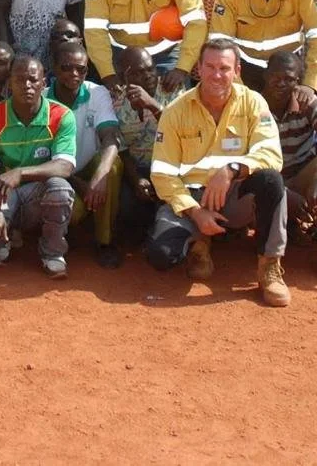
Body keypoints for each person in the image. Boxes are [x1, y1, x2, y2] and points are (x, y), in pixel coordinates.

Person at [146, 38, 291, 306]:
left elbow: (271, 154)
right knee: (161, 256)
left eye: (224, 68)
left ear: (237, 71)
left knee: (271, 180)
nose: (216, 75)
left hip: (235, 198)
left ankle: (269, 266)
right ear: (197, 69)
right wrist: (195, 211)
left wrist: (232, 169)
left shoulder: (253, 103)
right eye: (210, 67)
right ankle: (199, 241)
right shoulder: (175, 111)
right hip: (192, 199)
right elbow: (162, 174)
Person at [0, 54, 78, 278]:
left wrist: (20, 173)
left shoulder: (61, 115)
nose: (27, 85)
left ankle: (52, 253)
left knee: (61, 188)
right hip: (3, 192)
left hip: (38, 191)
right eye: (20, 80)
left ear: (44, 83)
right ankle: (8, 234)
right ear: (9, 84)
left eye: (33, 80)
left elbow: (65, 166)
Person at [259, 50, 317, 281]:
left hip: (300, 174)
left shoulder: (307, 100)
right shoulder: (252, 103)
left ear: (298, 81)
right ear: (265, 75)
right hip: (267, 179)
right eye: (276, 77)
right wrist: (283, 193)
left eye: (289, 78)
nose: (281, 83)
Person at [49, 43, 124, 267]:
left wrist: (99, 176)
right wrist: (78, 183)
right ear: (54, 68)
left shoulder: (97, 93)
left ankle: (105, 242)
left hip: (90, 167)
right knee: (75, 213)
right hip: (60, 175)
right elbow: (42, 158)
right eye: (67, 67)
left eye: (81, 69)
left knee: (112, 164)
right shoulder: (42, 99)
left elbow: (110, 137)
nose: (74, 74)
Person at [110, 45, 163, 244]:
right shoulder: (114, 101)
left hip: (169, 167)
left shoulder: (171, 90)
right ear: (124, 76)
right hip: (135, 169)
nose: (149, 76)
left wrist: (152, 104)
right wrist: (136, 180)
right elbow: (121, 150)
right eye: (140, 72)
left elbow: (181, 134)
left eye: (151, 69)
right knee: (127, 209)